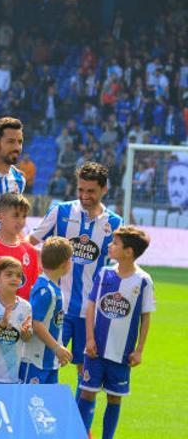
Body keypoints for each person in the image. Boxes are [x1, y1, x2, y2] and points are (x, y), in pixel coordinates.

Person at [29, 162, 122, 387]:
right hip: (56, 307)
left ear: (104, 189)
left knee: (86, 374)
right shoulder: (61, 211)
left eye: (90, 191)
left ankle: (79, 421)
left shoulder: (115, 223)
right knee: (44, 364)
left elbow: (118, 269)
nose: (84, 195)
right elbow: (30, 244)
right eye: (81, 189)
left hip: (90, 311)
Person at [77, 226, 154, 439]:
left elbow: (146, 316)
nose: (110, 246)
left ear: (128, 252)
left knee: (114, 398)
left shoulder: (144, 280)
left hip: (122, 353)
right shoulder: (104, 273)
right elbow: (92, 305)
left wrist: (139, 350)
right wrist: (90, 339)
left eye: (115, 243)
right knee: (87, 392)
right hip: (95, 349)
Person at [20, 237, 73, 384]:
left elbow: (55, 324)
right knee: (28, 405)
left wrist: (59, 352)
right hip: (34, 361)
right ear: (65, 263)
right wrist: (57, 348)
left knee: (47, 406)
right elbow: (35, 323)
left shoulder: (55, 288)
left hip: (50, 361)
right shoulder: (45, 290)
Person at [0, 193, 39, 300]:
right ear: (0, 216)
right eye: (15, 215)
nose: (20, 221)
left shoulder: (30, 251)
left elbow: (33, 290)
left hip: (24, 315)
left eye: (24, 216)